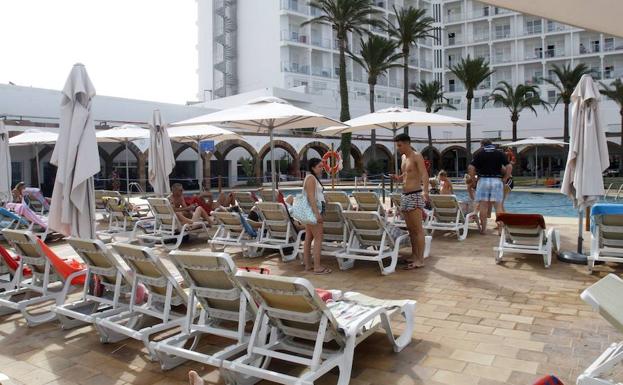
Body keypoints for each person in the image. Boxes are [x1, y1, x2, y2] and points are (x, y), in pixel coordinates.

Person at [390, 134, 429, 269]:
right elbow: (406, 175)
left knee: (418, 229)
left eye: (400, 145)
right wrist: (398, 178)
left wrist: (426, 191)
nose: (398, 148)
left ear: (407, 143)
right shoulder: (403, 158)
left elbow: (424, 174)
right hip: (405, 195)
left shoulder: (416, 156)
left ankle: (420, 259)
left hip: (415, 195)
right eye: (397, 145)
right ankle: (414, 255)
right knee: (411, 229)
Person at [469, 139, 511, 233]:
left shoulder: (479, 153)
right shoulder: (499, 153)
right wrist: (505, 178)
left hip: (483, 181)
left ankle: (484, 229)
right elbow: (509, 166)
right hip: (496, 181)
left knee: (483, 206)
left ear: (482, 144)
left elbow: (471, 167)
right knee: (498, 207)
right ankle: (500, 231)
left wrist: (474, 180)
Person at [302, 158, 330, 275]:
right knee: (318, 239)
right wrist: (317, 214)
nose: (321, 168)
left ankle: (308, 265)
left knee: (309, 238)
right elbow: (311, 198)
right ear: (313, 167)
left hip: (310, 212)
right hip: (313, 212)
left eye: (321, 166)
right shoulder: (311, 179)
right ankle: (317, 267)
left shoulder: (312, 178)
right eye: (319, 166)